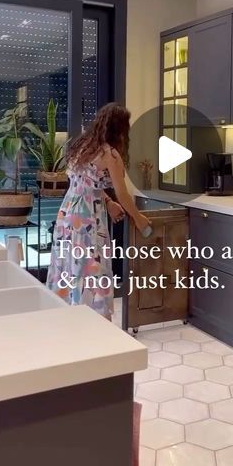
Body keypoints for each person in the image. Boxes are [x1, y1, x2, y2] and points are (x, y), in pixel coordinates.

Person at [46, 102, 151, 319]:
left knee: (70, 267)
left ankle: (68, 317)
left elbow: (85, 182)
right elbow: (122, 194)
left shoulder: (83, 145)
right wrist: (139, 218)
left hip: (67, 214)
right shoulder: (110, 154)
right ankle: (93, 323)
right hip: (87, 219)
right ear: (119, 128)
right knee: (92, 269)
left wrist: (108, 203)